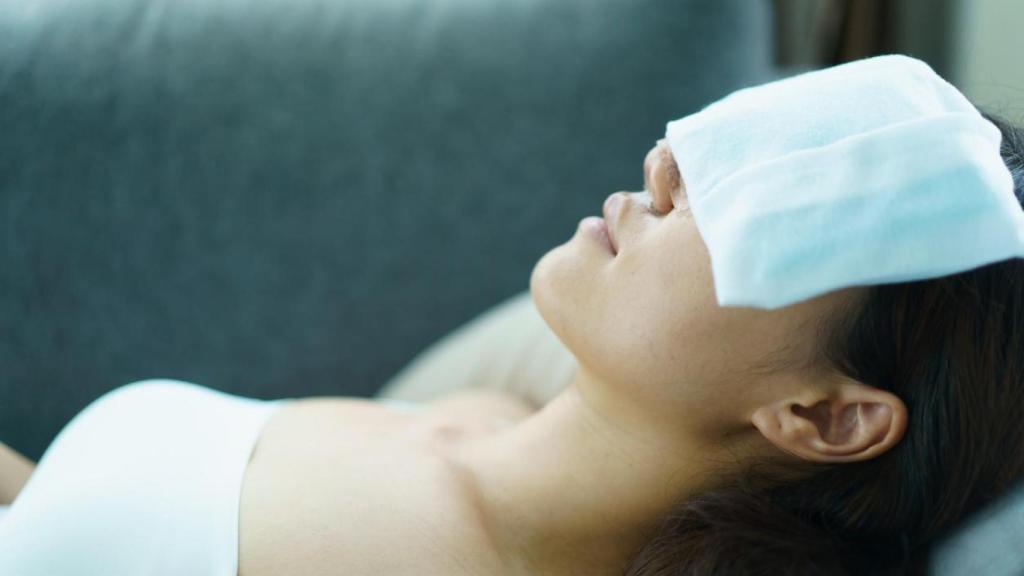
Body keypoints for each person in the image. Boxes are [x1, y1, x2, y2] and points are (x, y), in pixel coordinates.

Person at [2, 106, 1024, 576]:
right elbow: (68, 518)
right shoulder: (471, 420)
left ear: (826, 416)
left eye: (781, 206)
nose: (669, 164)